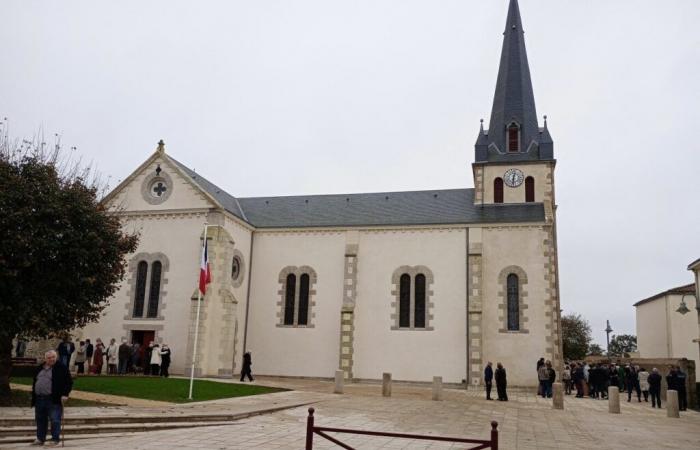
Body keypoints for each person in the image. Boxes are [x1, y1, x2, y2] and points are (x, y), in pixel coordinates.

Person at [30, 350, 72, 447]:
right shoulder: (40, 367)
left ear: (56, 357)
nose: (51, 359)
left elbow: (68, 382)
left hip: (53, 399)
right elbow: (35, 381)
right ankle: (40, 438)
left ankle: (55, 439)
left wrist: (65, 394)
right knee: (40, 419)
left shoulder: (61, 368)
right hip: (39, 399)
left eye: (53, 357)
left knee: (55, 419)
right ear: (45, 359)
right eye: (49, 358)